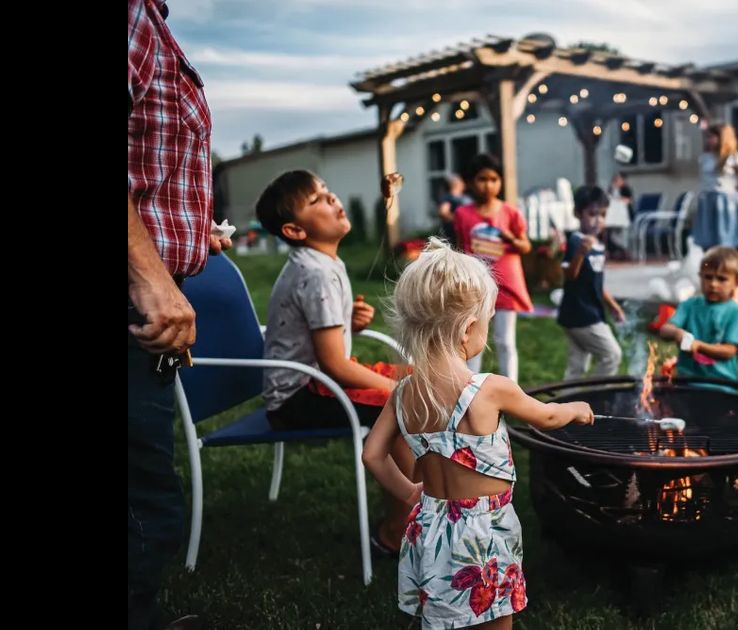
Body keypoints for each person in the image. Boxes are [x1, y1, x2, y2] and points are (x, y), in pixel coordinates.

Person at [362, 238, 595, 629]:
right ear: (469, 329)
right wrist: (575, 408)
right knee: (493, 618)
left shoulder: (403, 392)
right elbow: (547, 418)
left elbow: (372, 454)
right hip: (484, 532)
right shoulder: (489, 388)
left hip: (431, 524)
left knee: (440, 617)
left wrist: (407, 493)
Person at [256, 169, 421, 555]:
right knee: (402, 403)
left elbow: (322, 338)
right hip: (298, 396)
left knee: (421, 380)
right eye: (316, 200)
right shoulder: (315, 274)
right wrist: (396, 391)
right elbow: (334, 364)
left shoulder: (321, 264)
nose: (331, 199)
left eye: (327, 191)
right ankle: (397, 532)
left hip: (315, 381)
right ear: (296, 231)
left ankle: (422, 508)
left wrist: (348, 322)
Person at [128, 1, 229, 627]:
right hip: (136, 302)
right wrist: (151, 279)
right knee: (141, 495)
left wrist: (191, 233)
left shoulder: (151, 18)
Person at [453, 154, 532, 382]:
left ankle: (512, 390)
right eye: (482, 179)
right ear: (469, 182)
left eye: (494, 179)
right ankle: (470, 388)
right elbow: (460, 247)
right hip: (475, 287)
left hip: (506, 285)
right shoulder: (463, 214)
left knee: (505, 340)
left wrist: (510, 238)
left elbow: (525, 245)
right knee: (470, 339)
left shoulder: (510, 213)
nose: (488, 185)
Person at [656, 247, 738, 393]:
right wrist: (677, 333)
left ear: (737, 282)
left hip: (721, 387)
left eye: (721, 279)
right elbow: (664, 330)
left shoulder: (736, 312)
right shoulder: (690, 305)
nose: (713, 284)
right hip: (686, 382)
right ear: (700, 276)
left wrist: (699, 346)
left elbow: (729, 351)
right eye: (708, 277)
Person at [557, 185, 625, 379]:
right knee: (612, 355)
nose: (598, 220)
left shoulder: (599, 245)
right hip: (581, 314)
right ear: (578, 213)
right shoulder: (576, 241)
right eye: (593, 214)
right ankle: (596, 396)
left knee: (577, 367)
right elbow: (569, 276)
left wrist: (613, 306)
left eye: (603, 215)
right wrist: (580, 252)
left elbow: (597, 282)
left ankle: (567, 403)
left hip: (587, 312)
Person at [693, 123, 738, 251]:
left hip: (725, 201)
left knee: (724, 239)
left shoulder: (733, 158)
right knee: (708, 240)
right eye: (707, 137)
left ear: (722, 138)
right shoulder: (705, 157)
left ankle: (726, 264)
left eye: (711, 137)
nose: (708, 140)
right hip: (708, 199)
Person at [436, 174, 471, 247]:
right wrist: (459, 220)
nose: (463, 183)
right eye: (461, 181)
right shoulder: (448, 197)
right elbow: (443, 212)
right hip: (453, 234)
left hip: (466, 233)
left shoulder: (465, 197)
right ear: (456, 183)